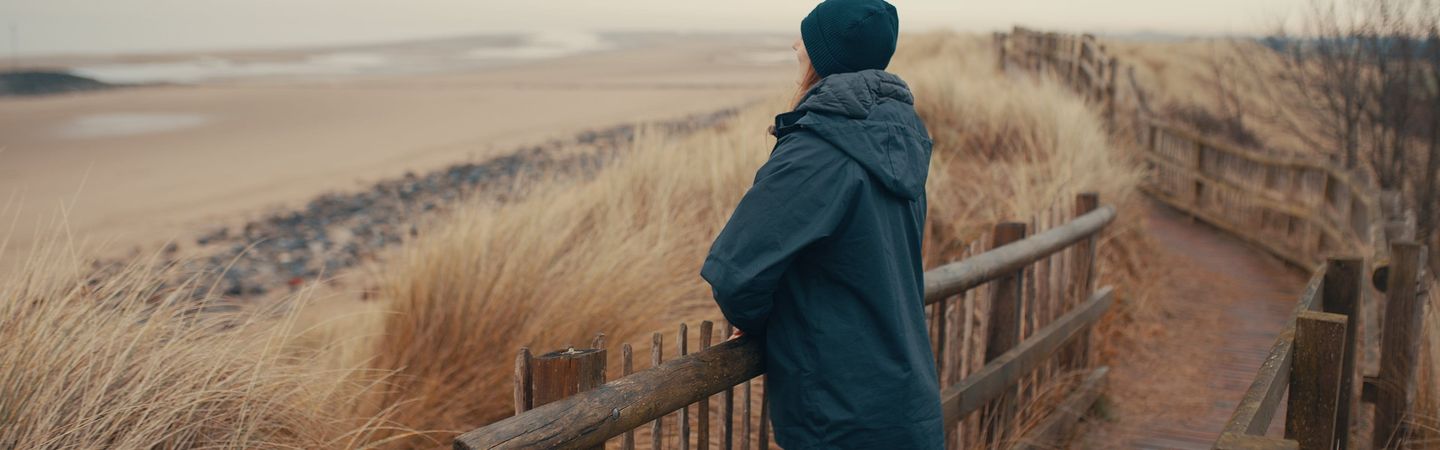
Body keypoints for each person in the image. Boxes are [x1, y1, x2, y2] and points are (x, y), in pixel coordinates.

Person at [699, 0, 942, 448]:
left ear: (829, 57)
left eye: (806, 40)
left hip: (841, 415)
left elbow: (735, 270)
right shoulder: (901, 135)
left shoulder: (819, 150)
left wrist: (760, 319)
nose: (796, 45)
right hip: (906, 405)